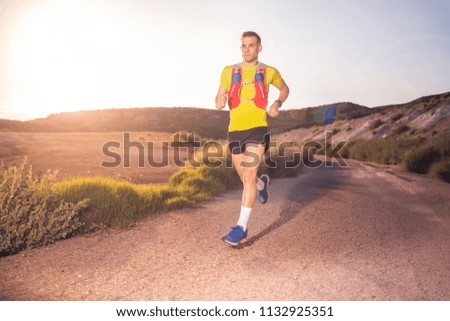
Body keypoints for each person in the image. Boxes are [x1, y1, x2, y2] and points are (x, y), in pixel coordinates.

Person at [215, 31, 290, 246]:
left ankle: (241, 227)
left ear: (260, 48)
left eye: (251, 45)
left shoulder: (269, 71)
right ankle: (261, 183)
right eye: (244, 45)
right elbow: (219, 94)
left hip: (258, 128)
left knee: (247, 175)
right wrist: (219, 100)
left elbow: (285, 89)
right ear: (241, 48)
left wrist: (277, 103)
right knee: (245, 177)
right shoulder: (229, 71)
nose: (247, 49)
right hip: (235, 130)